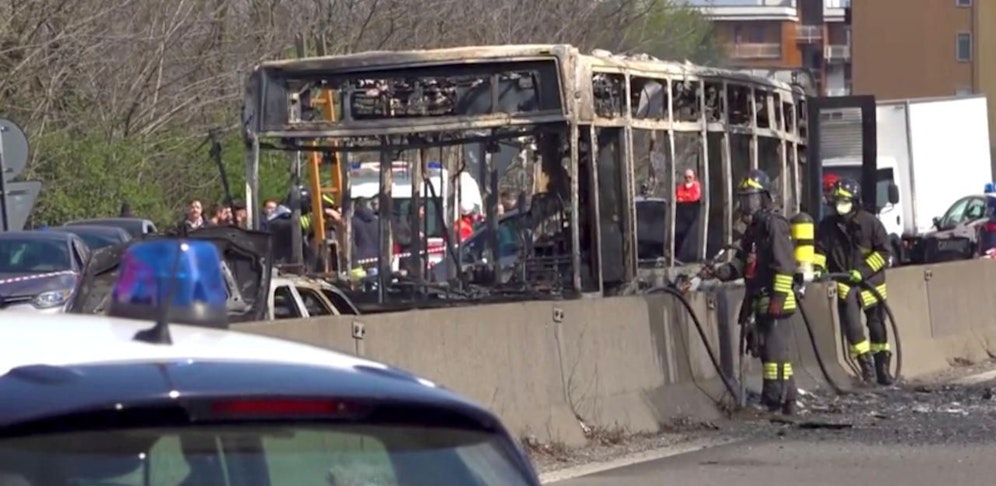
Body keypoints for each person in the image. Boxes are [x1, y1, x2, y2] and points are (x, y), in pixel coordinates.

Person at [710, 169, 799, 415]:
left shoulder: (774, 225)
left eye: (752, 198)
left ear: (765, 198)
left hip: (776, 300)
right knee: (772, 352)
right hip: (759, 299)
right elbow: (741, 263)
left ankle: (772, 401)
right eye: (744, 198)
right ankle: (789, 399)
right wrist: (720, 272)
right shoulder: (752, 230)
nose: (746, 204)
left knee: (773, 356)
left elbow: (784, 265)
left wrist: (778, 300)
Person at [814, 177, 893, 386]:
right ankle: (867, 369)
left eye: (844, 200)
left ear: (855, 202)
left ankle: (882, 368)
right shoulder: (827, 226)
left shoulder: (870, 223)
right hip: (845, 285)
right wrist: (817, 268)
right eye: (837, 199)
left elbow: (884, 252)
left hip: (872, 284)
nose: (839, 204)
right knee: (854, 329)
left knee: (877, 328)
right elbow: (820, 251)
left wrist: (863, 272)